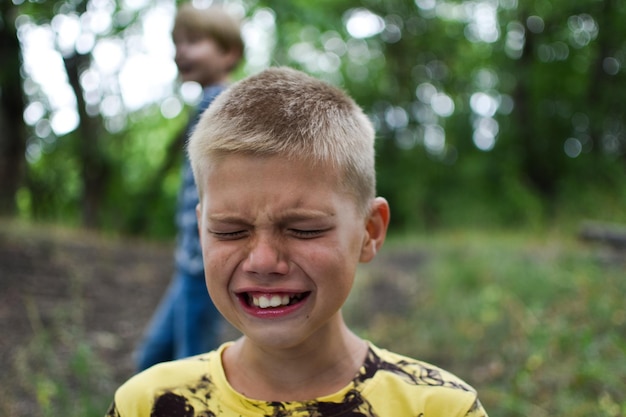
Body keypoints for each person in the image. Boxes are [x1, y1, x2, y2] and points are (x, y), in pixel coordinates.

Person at [107, 67, 489, 417]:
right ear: (201, 229)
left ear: (370, 232)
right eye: (229, 231)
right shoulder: (147, 404)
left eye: (303, 229)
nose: (262, 260)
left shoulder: (440, 408)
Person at [134, 3, 244, 372]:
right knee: (153, 355)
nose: (181, 51)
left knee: (190, 361)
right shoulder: (205, 103)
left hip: (203, 263)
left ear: (229, 52)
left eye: (194, 41)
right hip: (189, 261)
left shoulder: (221, 106)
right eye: (177, 43)